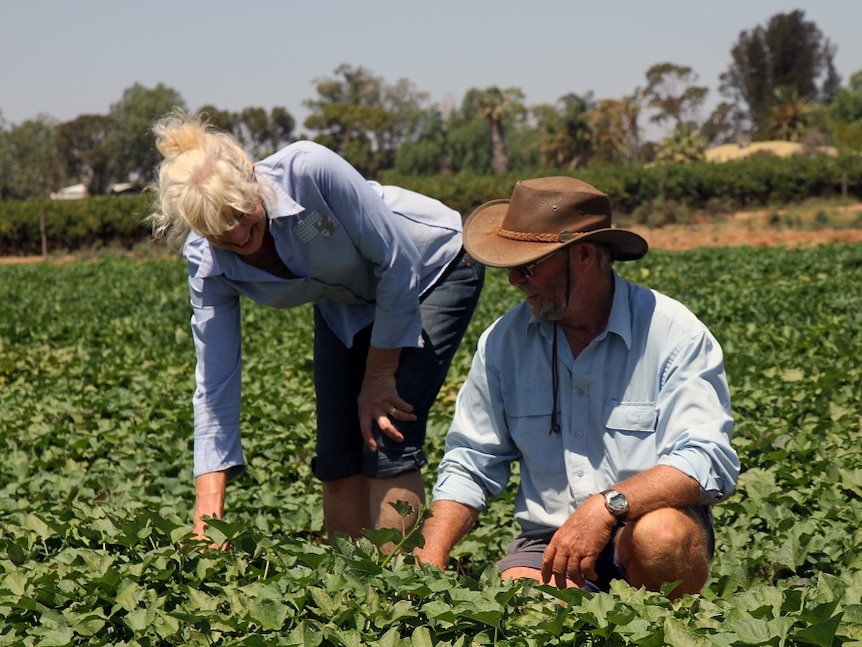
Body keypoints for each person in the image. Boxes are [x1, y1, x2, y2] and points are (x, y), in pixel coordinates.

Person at [148, 111, 484, 543]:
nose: (235, 233)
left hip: (431, 268)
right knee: (336, 451)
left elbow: (396, 262)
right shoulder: (208, 264)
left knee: (388, 432)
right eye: (216, 229)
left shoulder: (309, 170)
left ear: (251, 178)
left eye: (238, 212)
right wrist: (207, 519)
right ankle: (347, 590)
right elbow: (214, 383)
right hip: (346, 302)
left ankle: (403, 596)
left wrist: (379, 375)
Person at [415, 176, 740, 598]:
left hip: (640, 530)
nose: (514, 279)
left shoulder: (673, 334)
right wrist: (430, 555)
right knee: (523, 613)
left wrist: (606, 507)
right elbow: (472, 460)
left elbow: (707, 459)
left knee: (661, 536)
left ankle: (674, 627)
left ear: (583, 255)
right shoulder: (504, 342)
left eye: (529, 265)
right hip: (549, 546)